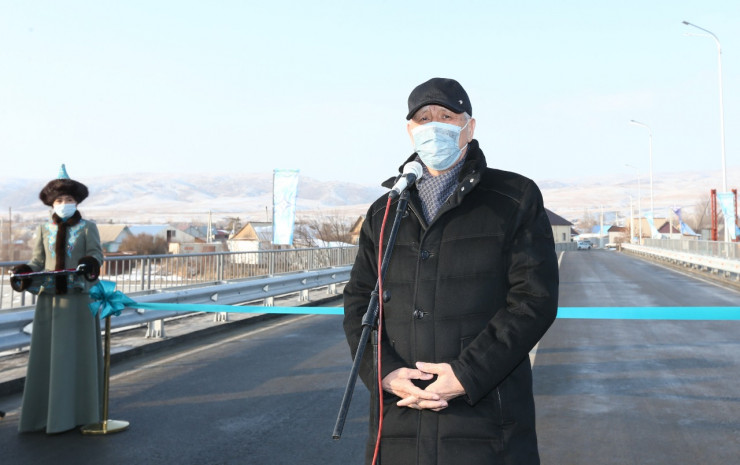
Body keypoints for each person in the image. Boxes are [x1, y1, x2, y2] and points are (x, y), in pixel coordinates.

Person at [343, 78, 559, 464]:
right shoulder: (384, 211)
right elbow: (360, 303)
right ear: (410, 130)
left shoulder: (513, 198)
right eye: (424, 118)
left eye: (446, 116)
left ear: (469, 127)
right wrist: (385, 373)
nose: (434, 126)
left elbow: (533, 300)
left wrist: (466, 375)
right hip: (400, 422)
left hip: (486, 422)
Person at [12, 165, 104, 434]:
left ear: (77, 202)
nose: (64, 204)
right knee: (49, 358)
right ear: (52, 203)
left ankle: (82, 412)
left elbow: (97, 254)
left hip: (79, 300)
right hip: (51, 302)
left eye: (69, 199)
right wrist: (24, 272)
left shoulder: (88, 227)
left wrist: (88, 264)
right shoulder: (43, 229)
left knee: (79, 356)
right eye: (60, 200)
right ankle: (45, 415)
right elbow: (38, 261)